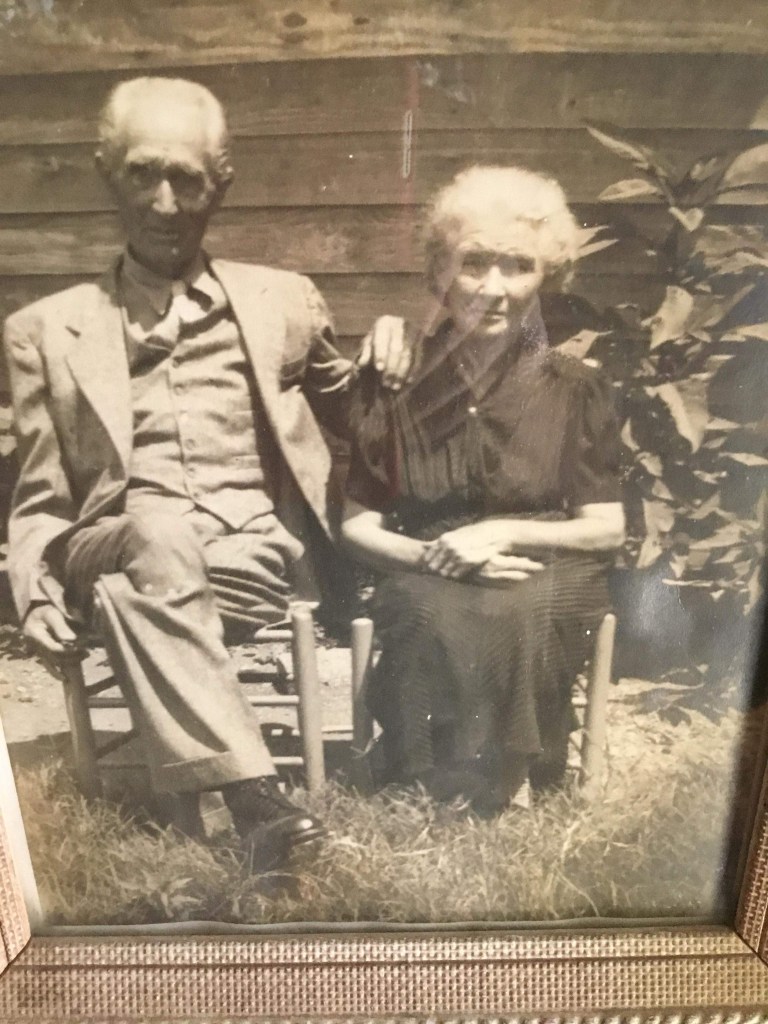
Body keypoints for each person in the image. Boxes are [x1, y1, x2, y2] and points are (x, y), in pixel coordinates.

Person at [3, 76, 407, 870]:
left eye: (186, 177)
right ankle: (256, 795)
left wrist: (391, 349)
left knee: (134, 594)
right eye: (142, 173)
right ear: (107, 174)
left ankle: (211, 784)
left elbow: (360, 418)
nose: (163, 202)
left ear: (220, 185)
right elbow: (40, 496)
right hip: (111, 538)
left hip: (251, 555)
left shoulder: (282, 300)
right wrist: (35, 587)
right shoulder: (43, 331)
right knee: (153, 538)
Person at [342, 166, 626, 817]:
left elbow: (605, 528)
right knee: (425, 611)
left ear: (547, 277)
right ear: (441, 271)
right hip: (424, 565)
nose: (493, 289)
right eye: (473, 264)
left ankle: (500, 777)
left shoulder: (576, 386)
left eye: (518, 266)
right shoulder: (395, 381)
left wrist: (500, 532)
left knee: (521, 610)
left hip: (545, 559)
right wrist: (434, 555)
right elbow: (356, 525)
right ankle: (437, 774)